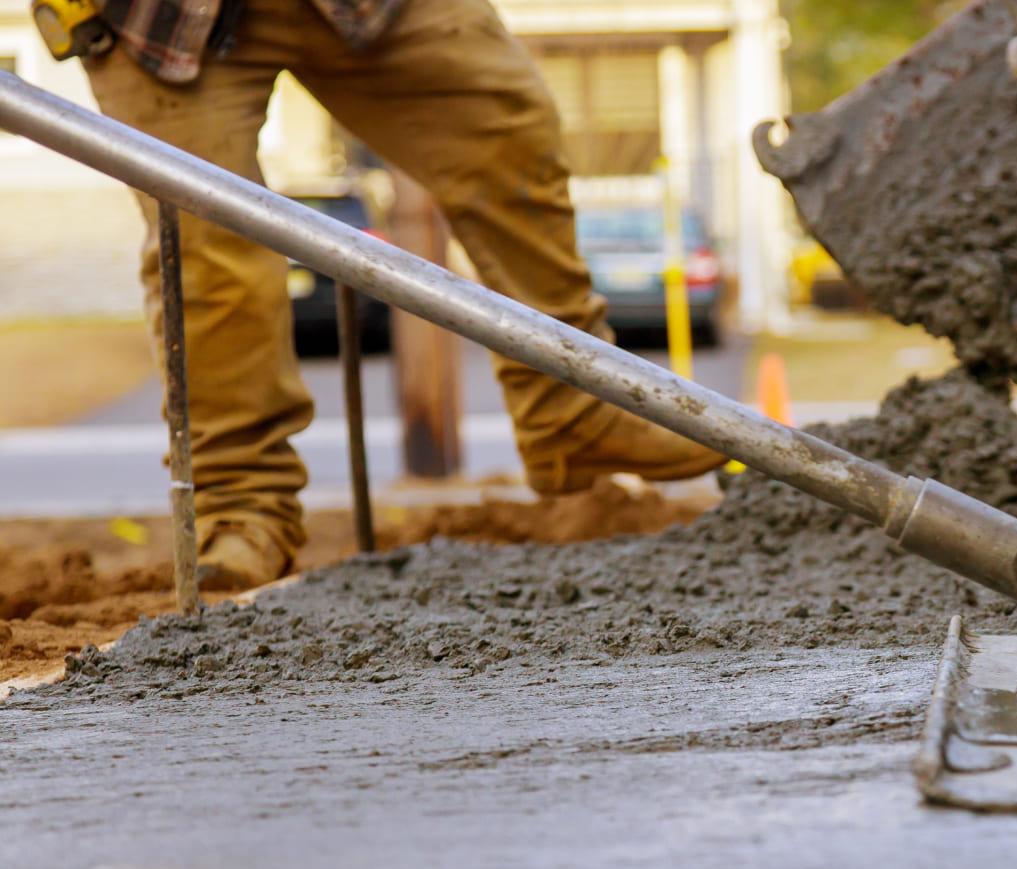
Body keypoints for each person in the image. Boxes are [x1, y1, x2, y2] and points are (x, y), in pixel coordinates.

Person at [82, 0, 726, 588]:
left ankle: (572, 413)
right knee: (207, 247)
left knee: (508, 131)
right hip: (159, 18)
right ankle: (238, 509)